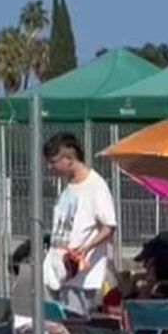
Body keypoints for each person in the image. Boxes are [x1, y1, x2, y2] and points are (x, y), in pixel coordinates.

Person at [43, 132, 117, 317]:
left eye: (53, 162)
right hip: (56, 273)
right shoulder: (68, 188)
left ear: (69, 159)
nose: (50, 167)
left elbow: (109, 227)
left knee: (71, 330)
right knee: (53, 330)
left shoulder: (96, 186)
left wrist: (84, 249)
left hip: (80, 279)